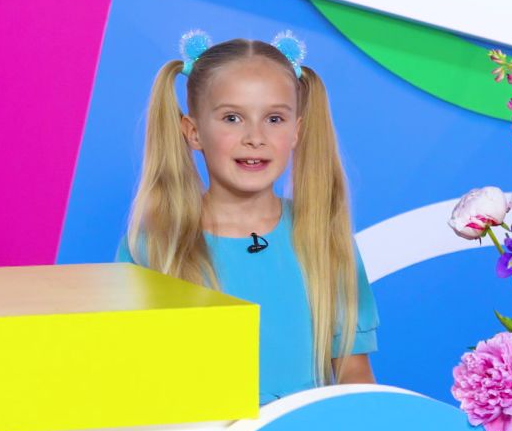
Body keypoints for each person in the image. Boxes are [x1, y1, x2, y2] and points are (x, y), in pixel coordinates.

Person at [116, 31, 378, 404]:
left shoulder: (323, 239)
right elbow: (135, 378)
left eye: (274, 118)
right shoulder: (153, 247)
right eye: (232, 117)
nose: (255, 137)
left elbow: (355, 373)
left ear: (296, 132)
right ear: (194, 132)